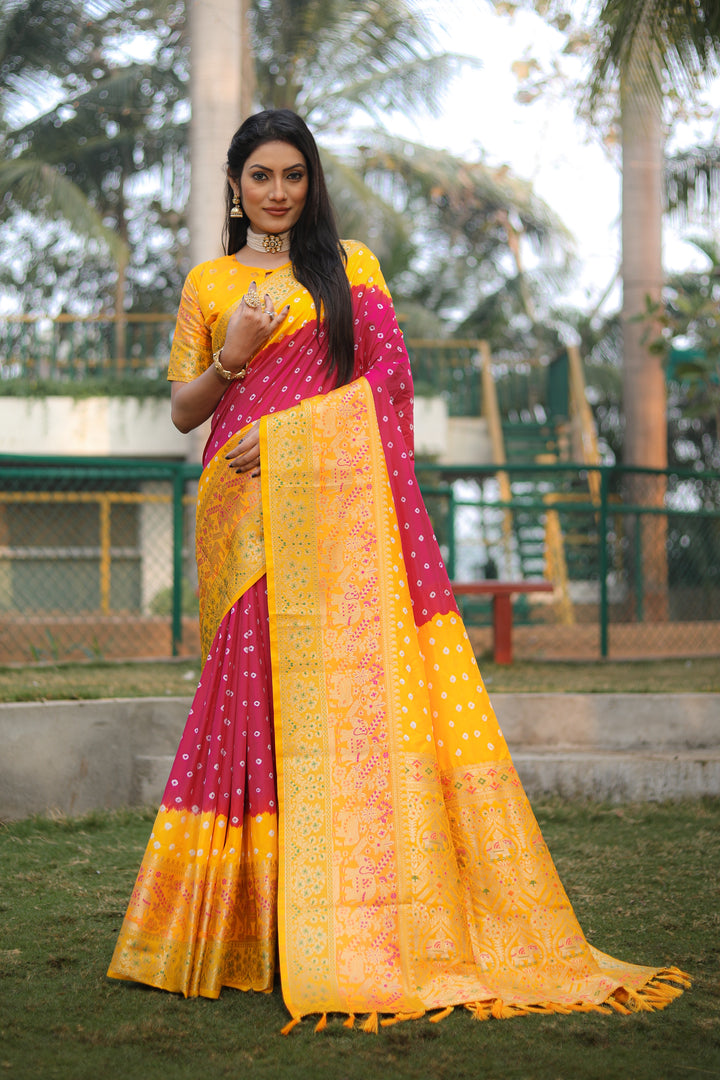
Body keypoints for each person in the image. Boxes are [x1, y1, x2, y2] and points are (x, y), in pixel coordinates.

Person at [108, 109, 688, 1031]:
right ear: (233, 184)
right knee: (248, 706)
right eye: (260, 175)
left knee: (339, 710)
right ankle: (247, 933)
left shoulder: (354, 269)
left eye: (294, 174)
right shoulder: (209, 282)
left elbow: (388, 386)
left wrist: (288, 437)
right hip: (241, 513)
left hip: (332, 511)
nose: (278, 191)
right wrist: (234, 358)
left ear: (312, 182)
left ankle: (343, 921)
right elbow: (184, 411)